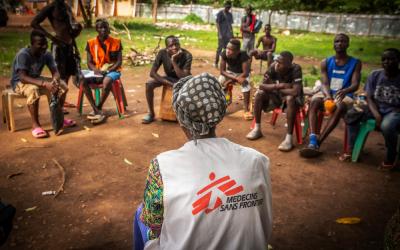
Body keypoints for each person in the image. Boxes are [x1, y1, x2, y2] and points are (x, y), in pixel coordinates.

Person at [133, 73, 272, 250]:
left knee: (141, 213)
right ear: (219, 112)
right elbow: (264, 221)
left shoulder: (162, 166)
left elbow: (153, 223)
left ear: (181, 118)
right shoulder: (257, 160)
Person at [300, 33, 362, 158]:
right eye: (337, 41)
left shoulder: (355, 63)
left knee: (339, 106)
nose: (339, 43)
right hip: (328, 92)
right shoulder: (326, 62)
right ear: (333, 44)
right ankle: (313, 139)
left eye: (343, 41)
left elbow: (355, 85)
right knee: (314, 101)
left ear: (348, 44)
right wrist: (328, 96)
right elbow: (324, 82)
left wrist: (345, 91)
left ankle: (318, 142)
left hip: (345, 94)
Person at [10, 30, 76, 138]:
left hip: (35, 79)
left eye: (45, 43)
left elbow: (55, 71)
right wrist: (44, 84)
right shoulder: (23, 55)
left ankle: (59, 119)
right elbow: (22, 77)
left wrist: (55, 80)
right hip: (19, 82)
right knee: (33, 90)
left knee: (62, 85)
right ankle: (36, 125)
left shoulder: (46, 54)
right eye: (40, 44)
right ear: (32, 44)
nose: (44, 46)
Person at [345, 48, 400, 170]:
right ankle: (351, 149)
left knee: (387, 126)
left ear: (398, 60)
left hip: (394, 111)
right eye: (384, 59)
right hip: (375, 107)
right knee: (352, 113)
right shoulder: (375, 75)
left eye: (391, 59)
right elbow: (368, 97)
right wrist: (377, 115)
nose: (387, 62)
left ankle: (391, 157)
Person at [246, 51, 304, 151]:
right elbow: (262, 86)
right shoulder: (273, 66)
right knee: (260, 94)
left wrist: (272, 87)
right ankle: (257, 128)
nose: (277, 64)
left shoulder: (296, 69)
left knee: (290, 98)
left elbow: (295, 91)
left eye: (280, 63)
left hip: (293, 100)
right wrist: (280, 86)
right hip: (277, 96)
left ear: (288, 64)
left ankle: (289, 138)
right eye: (277, 61)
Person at [31, 0, 82, 110]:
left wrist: (75, 47)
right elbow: (34, 23)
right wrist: (51, 37)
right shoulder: (51, 7)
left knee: (67, 74)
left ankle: (62, 100)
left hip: (69, 46)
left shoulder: (67, 7)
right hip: (58, 47)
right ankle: (57, 105)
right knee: (59, 75)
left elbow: (70, 30)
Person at [142, 35, 192, 124]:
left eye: (177, 44)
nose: (175, 47)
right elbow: (152, 73)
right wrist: (169, 83)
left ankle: (185, 115)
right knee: (149, 84)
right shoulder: (162, 53)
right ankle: (151, 113)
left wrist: (173, 61)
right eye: (171, 45)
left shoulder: (187, 55)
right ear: (167, 48)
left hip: (183, 80)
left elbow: (183, 77)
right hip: (169, 79)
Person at [82, 19, 123, 124]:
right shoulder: (90, 43)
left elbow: (119, 62)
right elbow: (89, 62)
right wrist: (96, 71)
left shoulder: (116, 42)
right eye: (100, 27)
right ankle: (95, 108)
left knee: (107, 81)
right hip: (96, 71)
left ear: (109, 28)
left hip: (113, 70)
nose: (103, 29)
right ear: (96, 29)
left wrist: (108, 70)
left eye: (105, 27)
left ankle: (98, 107)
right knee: (81, 79)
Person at [219, 39, 253, 120]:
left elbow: (246, 73)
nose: (227, 51)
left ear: (237, 51)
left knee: (246, 85)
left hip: (242, 74)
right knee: (220, 81)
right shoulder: (224, 53)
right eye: (227, 48)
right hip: (230, 73)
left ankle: (246, 110)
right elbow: (222, 71)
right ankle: (222, 104)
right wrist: (233, 79)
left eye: (231, 50)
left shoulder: (243, 55)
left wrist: (231, 81)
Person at [214, 1, 233, 68]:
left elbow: (230, 25)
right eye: (227, 7)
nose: (228, 8)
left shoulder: (230, 15)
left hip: (228, 35)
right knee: (219, 48)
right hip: (222, 35)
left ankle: (227, 64)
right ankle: (216, 62)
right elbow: (217, 23)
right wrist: (219, 34)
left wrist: (232, 34)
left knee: (227, 49)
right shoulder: (220, 13)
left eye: (229, 7)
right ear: (225, 6)